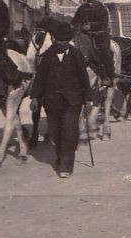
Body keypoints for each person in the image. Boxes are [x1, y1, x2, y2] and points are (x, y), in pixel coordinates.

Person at [31, 18, 91, 178]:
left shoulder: (76, 55)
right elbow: (40, 78)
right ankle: (60, 156)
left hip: (72, 101)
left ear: (69, 40)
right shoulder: (48, 56)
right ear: (53, 39)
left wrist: (88, 99)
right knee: (55, 132)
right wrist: (35, 98)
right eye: (59, 40)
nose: (62, 43)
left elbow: (84, 79)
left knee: (69, 131)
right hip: (51, 101)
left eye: (66, 40)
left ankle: (66, 165)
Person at [72, 0, 114, 82]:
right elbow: (75, 21)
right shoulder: (81, 9)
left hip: (100, 36)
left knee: (104, 53)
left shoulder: (102, 8)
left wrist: (91, 26)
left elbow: (103, 23)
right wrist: (77, 26)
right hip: (84, 36)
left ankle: (108, 76)